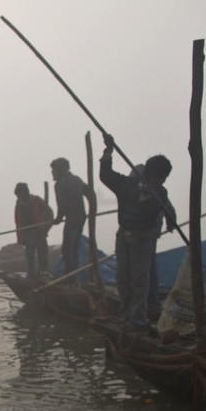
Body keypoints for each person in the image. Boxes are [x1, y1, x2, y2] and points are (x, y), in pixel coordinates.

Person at [99, 134, 176, 331]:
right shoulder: (127, 184)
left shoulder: (160, 193)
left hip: (143, 239)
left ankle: (138, 320)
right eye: (159, 178)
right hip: (123, 235)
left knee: (140, 281)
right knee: (123, 278)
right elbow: (105, 175)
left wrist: (148, 194)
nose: (161, 181)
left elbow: (150, 212)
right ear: (149, 174)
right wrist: (108, 151)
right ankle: (126, 315)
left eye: (163, 179)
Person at [50, 158, 91, 281]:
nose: (52, 173)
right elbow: (90, 193)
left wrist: (57, 219)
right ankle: (74, 274)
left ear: (61, 169)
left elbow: (62, 205)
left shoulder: (60, 184)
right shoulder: (77, 180)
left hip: (72, 219)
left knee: (67, 249)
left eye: (54, 170)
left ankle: (70, 276)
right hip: (81, 217)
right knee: (74, 247)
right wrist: (92, 211)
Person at [13, 183, 54, 278]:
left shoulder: (36, 200)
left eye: (20, 195)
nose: (19, 198)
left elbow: (49, 213)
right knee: (29, 255)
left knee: (42, 252)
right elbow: (18, 221)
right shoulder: (19, 205)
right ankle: (31, 274)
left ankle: (44, 271)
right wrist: (21, 238)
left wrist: (46, 228)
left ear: (25, 193)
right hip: (27, 233)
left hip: (39, 231)